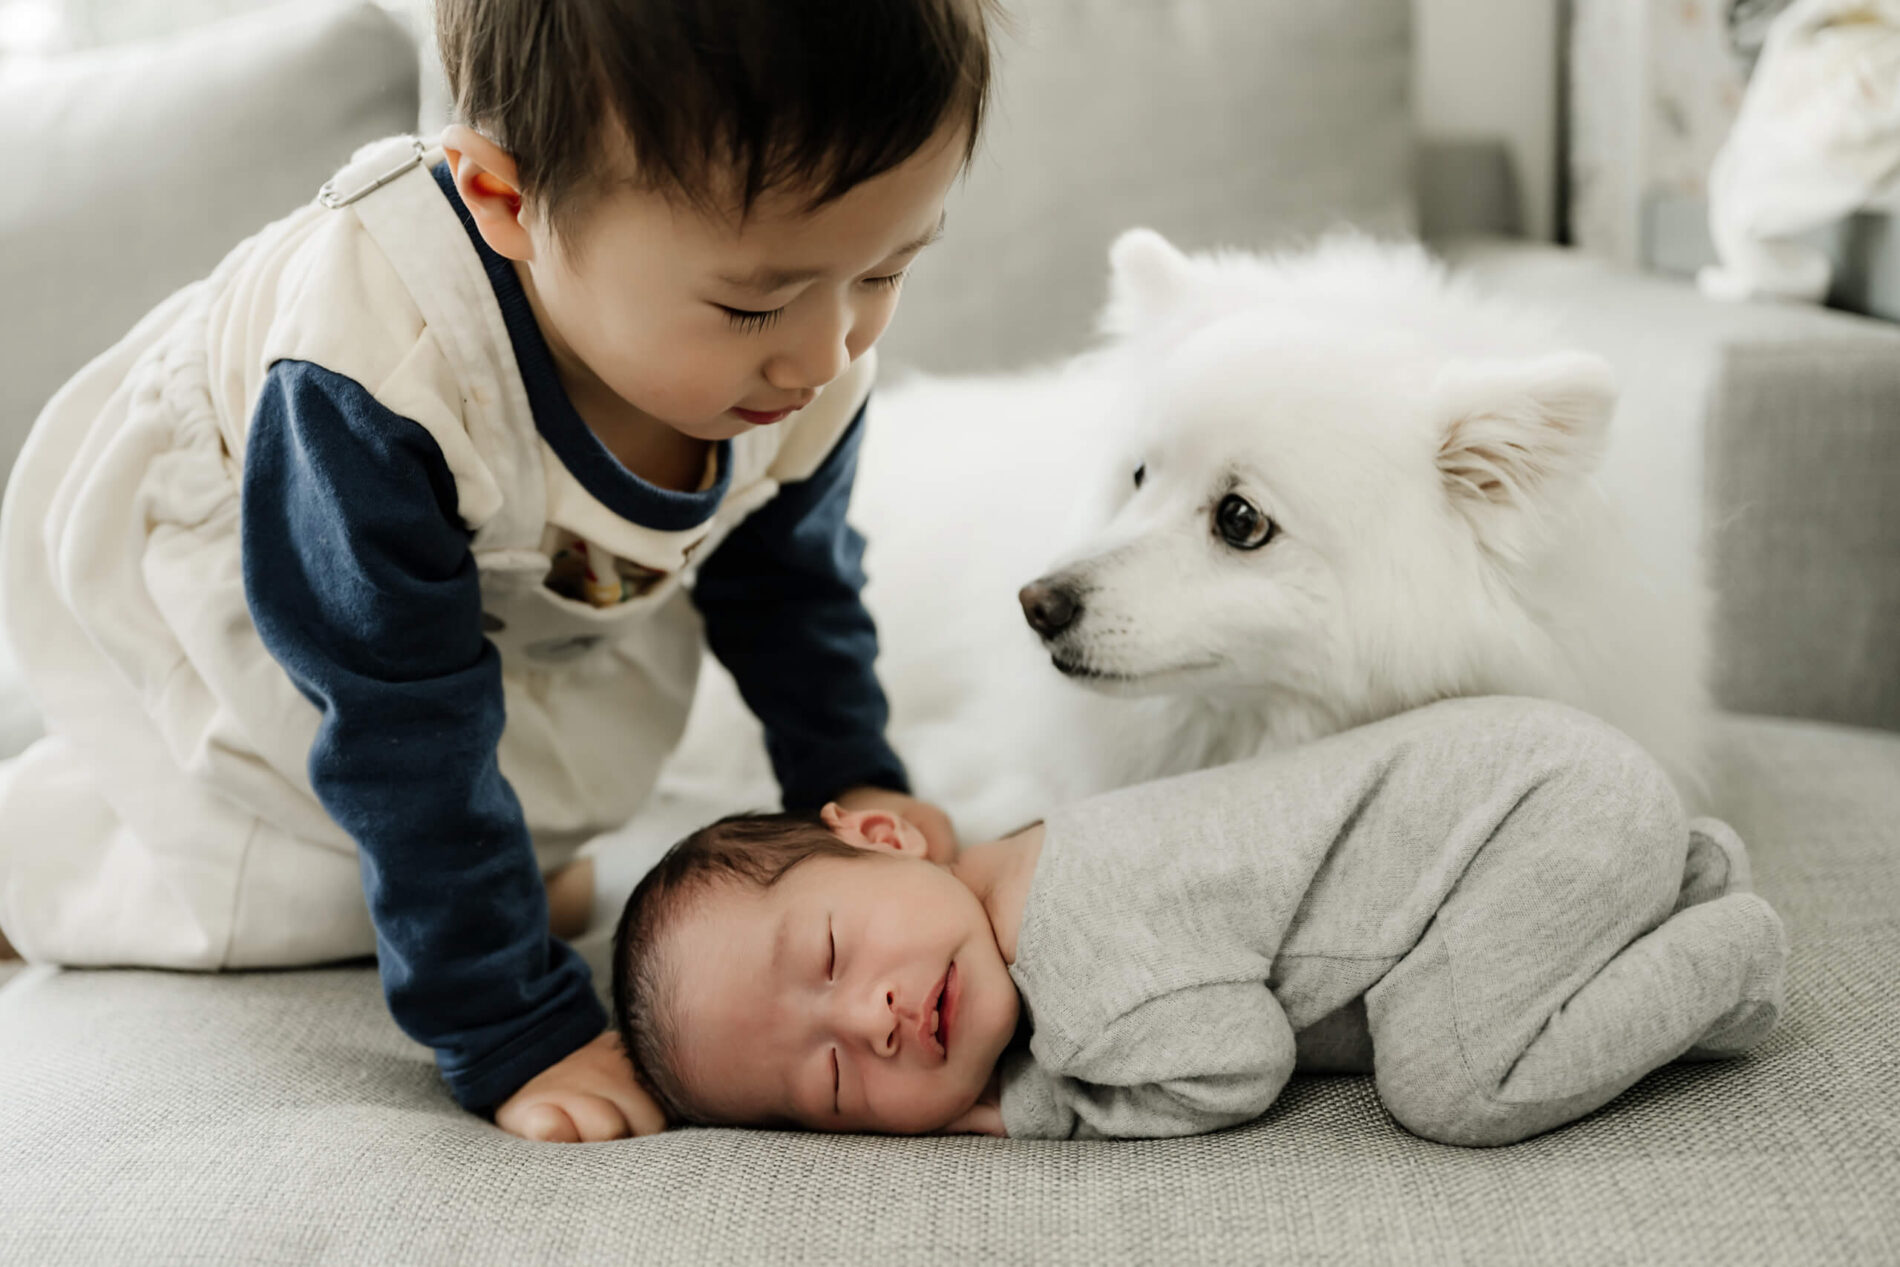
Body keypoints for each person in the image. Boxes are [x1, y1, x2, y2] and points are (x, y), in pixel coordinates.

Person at [0, 0, 999, 1141]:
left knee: (540, 788)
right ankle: (30, 859)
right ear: (506, 201)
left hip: (517, 584)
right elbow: (398, 723)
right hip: (283, 561)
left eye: (886, 271)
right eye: (753, 301)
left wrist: (849, 773)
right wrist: (512, 1021)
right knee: (302, 872)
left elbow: (789, 581)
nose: (828, 351)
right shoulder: (377, 373)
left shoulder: (798, 353)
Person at [612, 697, 1788, 1143]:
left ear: (885, 836)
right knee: (1440, 1002)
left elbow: (1236, 1063)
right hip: (1540, 793)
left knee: (1451, 1086)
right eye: (827, 1084)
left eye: (828, 952)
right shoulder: (1035, 852)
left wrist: (1033, 1107)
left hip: (1524, 815)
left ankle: (1725, 955)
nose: (867, 1020)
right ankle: (1662, 882)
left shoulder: (1067, 944)